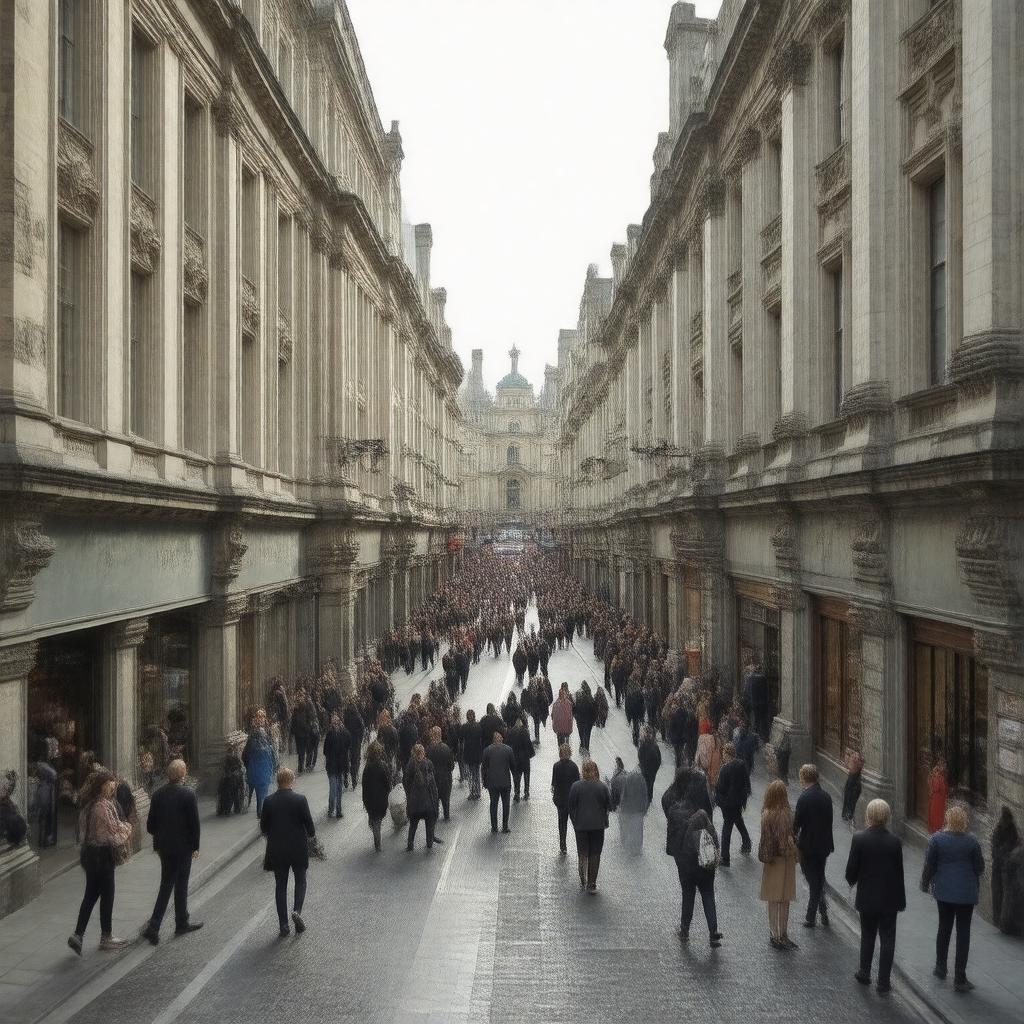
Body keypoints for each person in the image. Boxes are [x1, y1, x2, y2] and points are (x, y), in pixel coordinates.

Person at [67, 770, 134, 955]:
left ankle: (78, 935)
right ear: (102, 786)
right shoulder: (102, 807)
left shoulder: (89, 805)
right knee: (107, 895)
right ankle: (106, 937)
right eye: (110, 783)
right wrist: (127, 829)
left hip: (89, 855)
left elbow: (83, 833)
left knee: (90, 895)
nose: (113, 786)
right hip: (102, 856)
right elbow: (113, 835)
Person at [845, 798, 906, 995]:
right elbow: (899, 873)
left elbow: (851, 870)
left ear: (869, 815)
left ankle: (864, 972)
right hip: (889, 899)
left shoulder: (859, 838)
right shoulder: (895, 842)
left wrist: (852, 880)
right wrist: (901, 900)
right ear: (887, 817)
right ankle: (883, 982)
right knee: (888, 940)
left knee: (868, 935)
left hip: (867, 898)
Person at [922, 803, 985, 993]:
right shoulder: (972, 842)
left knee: (944, 928)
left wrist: (924, 883)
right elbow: (979, 867)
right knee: (963, 933)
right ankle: (960, 977)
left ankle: (940, 967)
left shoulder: (937, 839)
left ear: (947, 820)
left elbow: (930, 865)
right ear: (964, 822)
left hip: (944, 892)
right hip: (966, 893)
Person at [142, 759, 202, 945]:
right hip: (183, 847)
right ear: (182, 774)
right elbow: (195, 825)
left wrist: (161, 836)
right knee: (180, 884)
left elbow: (150, 826)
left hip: (164, 847)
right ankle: (177, 923)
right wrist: (195, 846)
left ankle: (158, 925)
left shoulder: (158, 794)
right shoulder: (188, 795)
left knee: (166, 884)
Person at [260, 767, 316, 937]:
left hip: (277, 849)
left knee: (280, 886)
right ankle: (297, 911)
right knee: (300, 881)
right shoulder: (300, 800)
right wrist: (310, 836)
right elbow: (310, 828)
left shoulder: (268, 801)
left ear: (278, 781)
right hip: (298, 848)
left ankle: (283, 925)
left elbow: (263, 827)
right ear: (292, 781)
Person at [670, 807, 722, 947]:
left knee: (688, 898)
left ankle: (684, 931)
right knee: (708, 898)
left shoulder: (688, 831)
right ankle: (713, 932)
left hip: (690, 872)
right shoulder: (710, 831)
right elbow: (717, 849)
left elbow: (682, 852)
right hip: (707, 872)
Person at [793, 763, 834, 928]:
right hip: (823, 845)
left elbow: (797, 823)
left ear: (803, 778)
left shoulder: (804, 798)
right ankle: (823, 911)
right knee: (819, 877)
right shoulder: (826, 796)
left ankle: (811, 916)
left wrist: (793, 836)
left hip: (808, 846)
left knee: (813, 881)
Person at [758, 779, 798, 950]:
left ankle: (774, 934)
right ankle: (784, 933)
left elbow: (765, 840)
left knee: (773, 900)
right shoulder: (789, 814)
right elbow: (792, 836)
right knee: (785, 899)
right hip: (787, 859)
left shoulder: (766, 814)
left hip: (773, 861)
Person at [568, 759, 611, 893]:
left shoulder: (575, 786)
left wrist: (575, 821)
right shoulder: (602, 787)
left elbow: (571, 806)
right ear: (595, 771)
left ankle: (582, 874)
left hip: (581, 825)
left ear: (583, 771)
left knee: (583, 851)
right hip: (598, 826)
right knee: (595, 853)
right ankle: (591, 883)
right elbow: (609, 805)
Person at [714, 742, 751, 867]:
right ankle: (747, 843)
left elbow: (720, 788)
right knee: (739, 821)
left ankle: (725, 858)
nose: (722, 755)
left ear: (727, 753)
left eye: (723, 753)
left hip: (728, 804)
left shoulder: (725, 769)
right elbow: (747, 783)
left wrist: (719, 799)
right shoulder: (741, 765)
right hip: (738, 802)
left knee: (727, 829)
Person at [403, 743, 440, 851]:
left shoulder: (410, 765)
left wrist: (409, 795)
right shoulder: (428, 764)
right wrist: (435, 800)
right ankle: (429, 843)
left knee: (413, 825)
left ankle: (410, 845)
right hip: (428, 802)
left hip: (414, 803)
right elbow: (433, 785)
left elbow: (406, 782)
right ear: (423, 753)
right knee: (429, 823)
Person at [242, 709, 279, 817]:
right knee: (261, 796)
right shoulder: (268, 739)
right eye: (258, 717)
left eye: (261, 717)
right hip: (264, 774)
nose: (260, 719)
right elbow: (274, 757)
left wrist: (248, 766)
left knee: (250, 789)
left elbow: (244, 755)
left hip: (252, 772)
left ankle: (246, 806)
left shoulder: (252, 737)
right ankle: (260, 815)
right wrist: (274, 768)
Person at [481, 730, 515, 834]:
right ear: (501, 739)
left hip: (492, 782)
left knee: (493, 804)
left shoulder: (487, 750)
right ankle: (505, 826)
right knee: (506, 804)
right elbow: (513, 766)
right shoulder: (509, 750)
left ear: (493, 740)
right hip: (505, 782)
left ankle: (494, 827)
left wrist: (484, 781)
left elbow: (484, 767)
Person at [360, 741, 391, 852]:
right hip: (381, 798)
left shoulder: (367, 767)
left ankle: (377, 839)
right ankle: (377, 840)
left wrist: (364, 800)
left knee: (374, 818)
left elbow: (364, 785)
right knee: (378, 819)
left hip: (370, 798)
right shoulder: (383, 765)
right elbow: (388, 783)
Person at [551, 743, 581, 855]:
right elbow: (577, 784)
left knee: (562, 824)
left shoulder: (556, 766)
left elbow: (554, 783)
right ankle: (579, 844)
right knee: (575, 823)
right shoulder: (574, 767)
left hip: (560, 800)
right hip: (572, 801)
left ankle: (563, 845)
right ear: (570, 753)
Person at [323, 713, 351, 819]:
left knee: (333, 788)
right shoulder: (345, 733)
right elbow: (349, 744)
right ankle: (339, 811)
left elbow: (325, 751)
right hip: (341, 765)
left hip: (332, 766)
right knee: (339, 789)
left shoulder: (330, 734)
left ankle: (331, 809)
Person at [426, 726, 455, 822]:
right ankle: (446, 815)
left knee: (435, 798)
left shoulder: (429, 749)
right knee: (446, 798)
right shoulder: (446, 748)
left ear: (432, 735)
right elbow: (451, 766)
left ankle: (436, 814)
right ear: (440, 735)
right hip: (445, 778)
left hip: (433, 778)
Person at [508, 715, 535, 801]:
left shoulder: (511, 732)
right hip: (525, 758)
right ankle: (526, 793)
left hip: (515, 758)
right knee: (526, 776)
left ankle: (517, 794)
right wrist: (531, 754)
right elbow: (528, 744)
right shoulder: (525, 731)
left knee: (517, 777)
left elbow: (508, 744)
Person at [462, 709, 484, 800]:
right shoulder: (478, 726)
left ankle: (472, 792)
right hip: (477, 754)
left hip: (468, 754)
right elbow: (481, 739)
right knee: (476, 774)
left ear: (467, 717)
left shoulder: (464, 727)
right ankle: (478, 792)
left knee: (471, 774)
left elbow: (461, 738)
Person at [637, 726, 662, 805]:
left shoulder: (644, 746)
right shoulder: (654, 745)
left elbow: (640, 757)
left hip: (647, 770)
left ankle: (647, 799)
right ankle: (649, 798)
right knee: (650, 784)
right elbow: (659, 760)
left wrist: (642, 766)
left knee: (647, 784)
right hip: (651, 771)